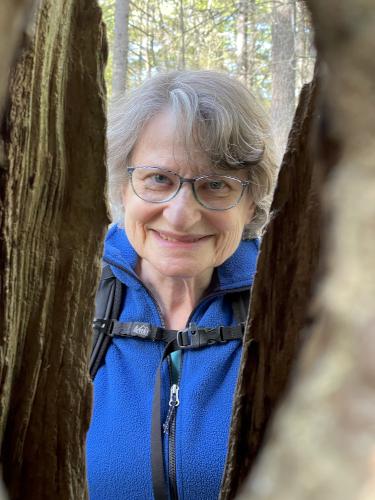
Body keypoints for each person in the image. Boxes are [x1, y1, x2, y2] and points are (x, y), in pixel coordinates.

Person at [86, 70, 276, 500]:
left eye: (215, 185)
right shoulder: (59, 302)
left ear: (250, 204)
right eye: (159, 179)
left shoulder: (292, 312)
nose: (180, 214)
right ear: (123, 185)